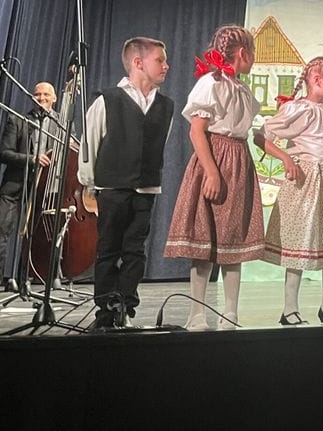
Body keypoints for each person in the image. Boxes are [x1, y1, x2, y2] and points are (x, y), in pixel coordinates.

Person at [164, 25, 263, 330]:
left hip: (238, 159)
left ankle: (230, 312)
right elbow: (197, 131)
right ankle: (196, 313)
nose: (254, 57)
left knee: (233, 240)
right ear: (243, 53)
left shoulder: (241, 88)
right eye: (253, 51)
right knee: (203, 241)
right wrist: (211, 171)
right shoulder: (211, 83)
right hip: (215, 157)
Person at [76, 39, 172, 328]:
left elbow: (158, 145)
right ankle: (105, 311)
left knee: (135, 250)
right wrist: (89, 183)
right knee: (108, 249)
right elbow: (90, 143)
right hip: (112, 187)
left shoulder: (165, 105)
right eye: (160, 60)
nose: (166, 66)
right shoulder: (108, 100)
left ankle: (125, 306)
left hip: (145, 188)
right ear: (138, 63)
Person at [256, 57, 323, 325]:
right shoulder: (297, 109)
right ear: (317, 80)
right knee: (299, 243)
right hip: (306, 180)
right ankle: (290, 308)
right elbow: (261, 137)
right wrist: (286, 158)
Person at [0, 81, 58, 291]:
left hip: (43, 189)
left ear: (54, 98)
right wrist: (32, 159)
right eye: (37, 94)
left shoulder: (60, 124)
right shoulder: (18, 120)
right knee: (2, 232)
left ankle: (25, 278)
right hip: (14, 187)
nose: (41, 98)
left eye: (46, 95)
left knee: (33, 236)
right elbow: (4, 153)